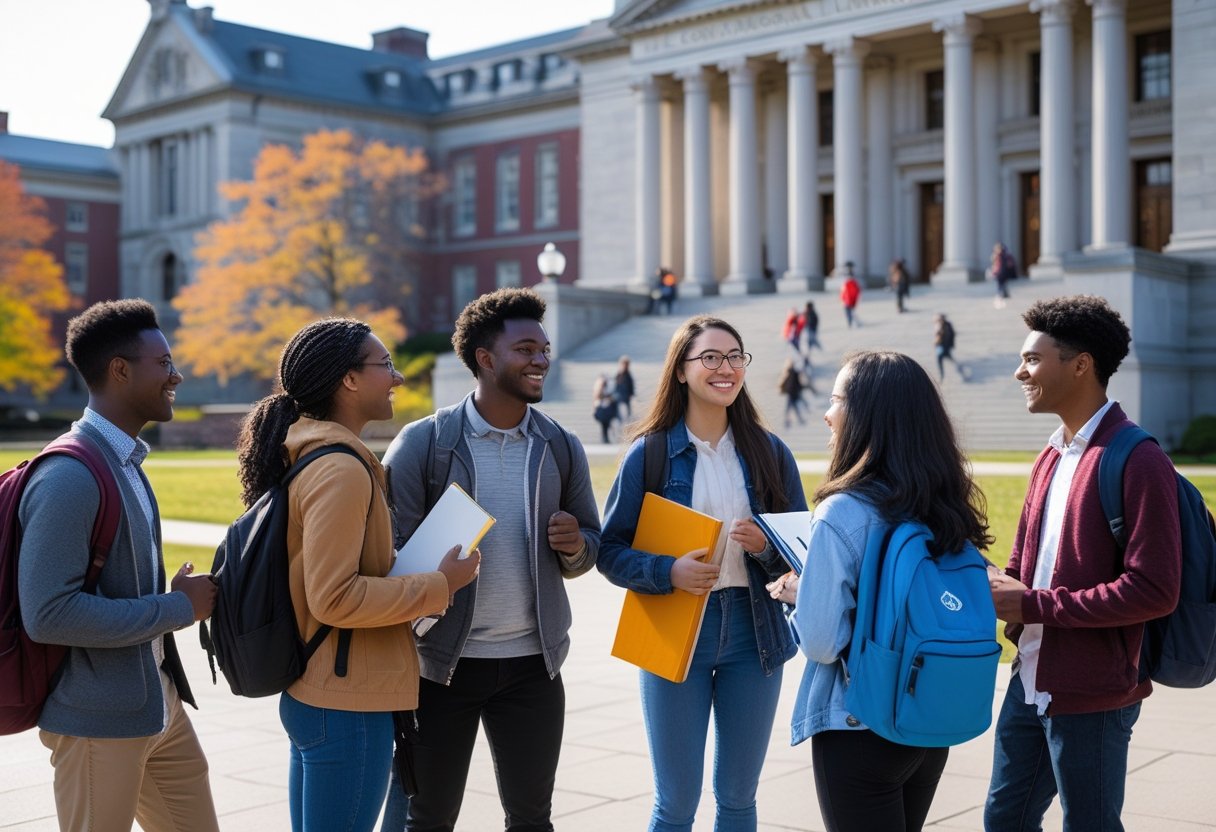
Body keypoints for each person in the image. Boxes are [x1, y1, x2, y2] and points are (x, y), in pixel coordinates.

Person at [234, 317, 478, 832]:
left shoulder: (314, 454)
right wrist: (440, 585)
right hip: (347, 703)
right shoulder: (340, 468)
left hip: (322, 691)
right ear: (348, 379)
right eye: (385, 365)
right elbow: (334, 598)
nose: (397, 377)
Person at [381, 287, 602, 832]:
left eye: (544, 349)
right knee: (427, 818)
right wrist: (438, 579)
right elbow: (388, 558)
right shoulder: (423, 444)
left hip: (534, 667)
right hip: (439, 668)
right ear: (486, 358)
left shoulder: (560, 445)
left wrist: (576, 547)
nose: (541, 360)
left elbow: (592, 546)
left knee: (532, 820)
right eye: (526, 349)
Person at [767, 350, 993, 832]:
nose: (827, 414)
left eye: (836, 400)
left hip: (858, 720)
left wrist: (798, 595)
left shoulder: (843, 512)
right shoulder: (944, 501)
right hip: (930, 715)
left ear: (868, 414)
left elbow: (823, 642)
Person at [17, 299, 221, 832]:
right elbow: (50, 614)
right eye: (165, 363)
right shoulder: (69, 475)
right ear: (120, 370)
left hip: (158, 703)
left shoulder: (126, 459)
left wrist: (167, 597)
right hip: (96, 719)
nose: (176, 375)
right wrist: (175, 607)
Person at [598, 315, 807, 832]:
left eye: (735, 356)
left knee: (738, 798)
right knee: (675, 802)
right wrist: (667, 571)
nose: (726, 368)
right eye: (710, 357)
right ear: (682, 371)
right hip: (673, 631)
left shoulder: (771, 453)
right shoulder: (648, 453)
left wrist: (766, 547)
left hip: (753, 632)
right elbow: (608, 550)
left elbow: (805, 557)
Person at [983, 296, 1182, 832]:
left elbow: (1154, 589)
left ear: (1080, 364)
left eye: (1032, 359)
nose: (1019, 371)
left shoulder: (1137, 458)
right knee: (1004, 820)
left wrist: (1031, 603)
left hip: (1094, 690)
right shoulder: (1051, 453)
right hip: (1029, 678)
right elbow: (1025, 561)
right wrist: (999, 587)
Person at [778, 358, 811, 428]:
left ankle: (792, 420)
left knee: (791, 408)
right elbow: (795, 383)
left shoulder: (790, 373)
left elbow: (784, 383)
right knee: (792, 407)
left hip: (792, 393)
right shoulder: (792, 373)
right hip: (793, 393)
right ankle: (797, 419)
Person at [934, 313, 965, 382]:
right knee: (947, 360)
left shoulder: (945, 326)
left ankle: (942, 376)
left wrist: (939, 342)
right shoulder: (942, 326)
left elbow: (945, 337)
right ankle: (943, 376)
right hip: (943, 347)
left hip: (944, 347)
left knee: (942, 360)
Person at [987, 243, 1013, 309]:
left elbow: (1008, 264)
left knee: (1003, 284)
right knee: (1000, 285)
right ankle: (1000, 297)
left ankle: (1002, 296)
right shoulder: (996, 256)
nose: (997, 250)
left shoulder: (1004, 255)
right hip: (999, 273)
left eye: (998, 249)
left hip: (1003, 273)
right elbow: (994, 265)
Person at [839, 263, 861, 328]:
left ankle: (851, 323)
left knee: (849, 313)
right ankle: (850, 323)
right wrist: (842, 298)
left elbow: (855, 293)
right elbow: (843, 292)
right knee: (849, 313)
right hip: (847, 301)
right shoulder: (847, 283)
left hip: (849, 301)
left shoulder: (851, 284)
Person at [615, 354, 636, 419]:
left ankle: (628, 419)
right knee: (619, 411)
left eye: (626, 364)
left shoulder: (628, 374)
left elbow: (631, 385)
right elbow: (616, 385)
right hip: (619, 395)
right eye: (624, 364)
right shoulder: (619, 374)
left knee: (627, 410)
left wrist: (631, 394)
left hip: (626, 396)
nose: (625, 366)